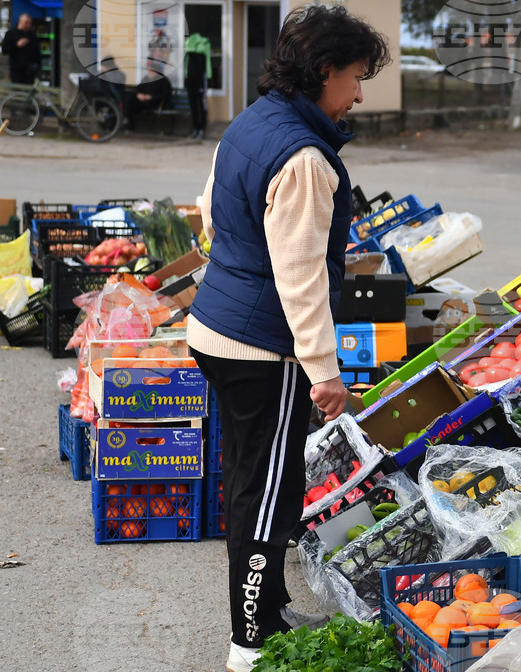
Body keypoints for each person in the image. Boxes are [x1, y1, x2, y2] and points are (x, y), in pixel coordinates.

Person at [185, 6, 389, 671]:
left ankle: (267, 613)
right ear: (324, 71)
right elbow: (300, 276)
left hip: (216, 326)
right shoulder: (305, 159)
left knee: (253, 480)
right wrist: (324, 371)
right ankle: (249, 643)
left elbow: (209, 211)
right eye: (356, 77)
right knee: (267, 495)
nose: (359, 93)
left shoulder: (255, 120)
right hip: (262, 349)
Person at [123, 60, 172, 131]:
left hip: (154, 103)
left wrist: (151, 97)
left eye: (151, 71)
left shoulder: (163, 81)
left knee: (131, 104)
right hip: (142, 101)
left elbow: (166, 95)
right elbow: (137, 88)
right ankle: (128, 122)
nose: (149, 72)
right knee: (129, 99)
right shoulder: (146, 78)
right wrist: (138, 95)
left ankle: (129, 124)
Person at [184, 32, 212, 139]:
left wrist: (208, 76)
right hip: (191, 80)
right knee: (193, 105)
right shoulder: (188, 48)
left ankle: (202, 129)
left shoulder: (204, 45)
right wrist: (186, 76)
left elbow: (208, 62)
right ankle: (196, 128)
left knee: (201, 104)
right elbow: (187, 64)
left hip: (200, 80)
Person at [1, 14, 40, 84]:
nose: (28, 25)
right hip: (17, 70)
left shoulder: (31, 35)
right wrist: (17, 45)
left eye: (30, 23)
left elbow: (37, 52)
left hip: (30, 70)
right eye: (26, 23)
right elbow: (4, 50)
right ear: (20, 22)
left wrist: (38, 66)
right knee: (18, 91)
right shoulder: (10, 33)